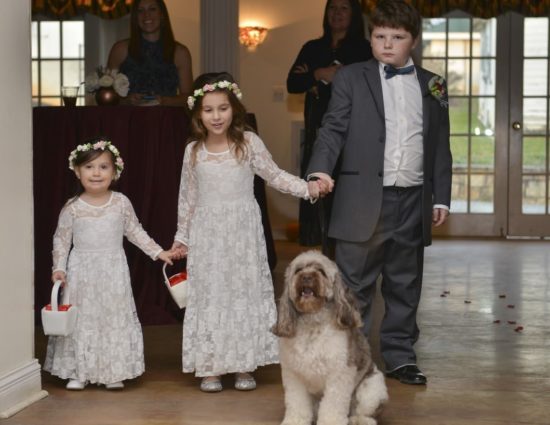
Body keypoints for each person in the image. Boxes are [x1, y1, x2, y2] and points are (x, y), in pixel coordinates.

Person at [308, 0, 452, 385]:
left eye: (398, 37)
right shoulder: (351, 77)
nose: (387, 44)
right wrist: (320, 167)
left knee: (405, 283)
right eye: (379, 36)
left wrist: (440, 195)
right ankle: (351, 360)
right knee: (355, 286)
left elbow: (439, 144)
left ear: (414, 41)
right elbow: (333, 128)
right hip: (362, 199)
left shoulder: (433, 83)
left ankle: (401, 357)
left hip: (413, 199)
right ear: (370, 38)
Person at [170, 72, 323, 392]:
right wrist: (181, 238)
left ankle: (243, 363)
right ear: (198, 113)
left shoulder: (248, 143)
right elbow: (188, 197)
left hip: (242, 232)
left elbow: (275, 175)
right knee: (212, 294)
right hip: (209, 233)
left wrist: (307, 188)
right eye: (208, 109)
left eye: (222, 108)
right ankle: (211, 366)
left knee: (242, 292)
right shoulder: (193, 151)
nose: (216, 116)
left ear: (234, 108)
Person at [43, 138, 173, 390]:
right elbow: (60, 240)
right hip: (81, 271)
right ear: (78, 171)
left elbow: (135, 231)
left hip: (113, 270)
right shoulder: (72, 207)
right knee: (82, 319)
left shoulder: (120, 203)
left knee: (112, 316)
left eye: (103, 167)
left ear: (114, 172)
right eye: (90, 167)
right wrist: (58, 267)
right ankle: (79, 370)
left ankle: (114, 371)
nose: (96, 173)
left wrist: (158, 252)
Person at [287, 0, 372, 247]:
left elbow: (369, 87)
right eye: (332, 8)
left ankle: (347, 246)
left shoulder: (364, 50)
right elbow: (293, 83)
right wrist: (318, 74)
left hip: (354, 131)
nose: (337, 13)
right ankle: (321, 245)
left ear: (354, 15)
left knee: (347, 191)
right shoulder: (313, 47)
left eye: (344, 8)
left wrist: (336, 78)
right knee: (318, 186)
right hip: (318, 128)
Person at [107, 0, 193, 106]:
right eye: (140, 10)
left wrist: (165, 101)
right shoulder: (120, 49)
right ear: (135, 17)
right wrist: (126, 100)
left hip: (166, 119)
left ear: (162, 14)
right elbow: (106, 95)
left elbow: (189, 98)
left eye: (152, 9)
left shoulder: (180, 52)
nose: (146, 15)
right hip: (127, 119)